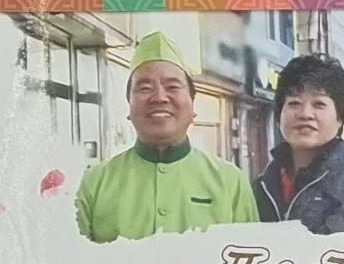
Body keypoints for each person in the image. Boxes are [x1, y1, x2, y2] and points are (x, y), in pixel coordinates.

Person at [73, 29, 257, 244]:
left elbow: (252, 258)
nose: (159, 97)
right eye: (144, 88)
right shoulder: (93, 184)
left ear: (192, 105)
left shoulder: (231, 182)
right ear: (129, 107)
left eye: (172, 87)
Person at [251, 54, 344, 237]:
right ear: (279, 116)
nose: (305, 114)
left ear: (339, 118)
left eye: (318, 104)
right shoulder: (262, 186)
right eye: (294, 103)